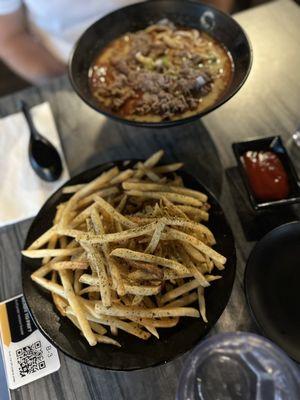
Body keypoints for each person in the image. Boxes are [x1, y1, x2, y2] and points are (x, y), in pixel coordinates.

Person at [0, 0, 233, 85]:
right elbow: (10, 38)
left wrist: (209, 35)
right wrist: (72, 84)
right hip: (70, 66)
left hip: (178, 43)